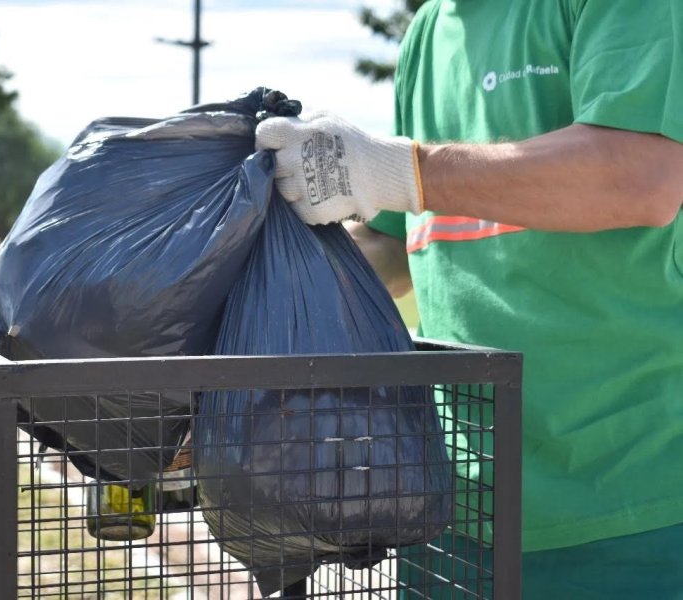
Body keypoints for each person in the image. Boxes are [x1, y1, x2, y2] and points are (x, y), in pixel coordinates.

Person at [256, 1, 683, 598]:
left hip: (623, 512)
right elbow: (401, 243)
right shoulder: (430, 29)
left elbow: (642, 176)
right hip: (452, 511)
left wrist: (402, 171)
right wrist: (262, 295)